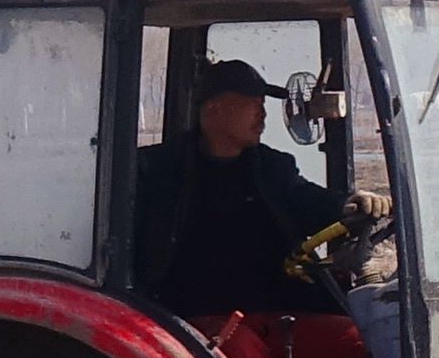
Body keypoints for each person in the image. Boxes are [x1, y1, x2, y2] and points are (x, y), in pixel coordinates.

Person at [133, 61, 354, 316]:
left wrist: (347, 205)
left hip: (281, 309)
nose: (263, 114)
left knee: (355, 342)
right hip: (199, 317)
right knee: (245, 352)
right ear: (214, 108)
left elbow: (306, 201)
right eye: (253, 104)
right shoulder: (156, 171)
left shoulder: (272, 167)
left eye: (263, 104)